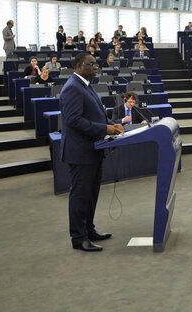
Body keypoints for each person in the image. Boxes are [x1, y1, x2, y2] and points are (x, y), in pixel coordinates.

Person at [60, 53, 123, 252]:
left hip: (93, 150)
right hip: (80, 152)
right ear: (78, 66)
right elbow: (73, 120)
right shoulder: (72, 88)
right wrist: (105, 130)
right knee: (80, 196)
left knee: (91, 194)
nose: (95, 67)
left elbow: (99, 115)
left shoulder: (86, 85)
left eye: (96, 64)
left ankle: (89, 229)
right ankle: (78, 238)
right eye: (90, 64)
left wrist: (113, 125)